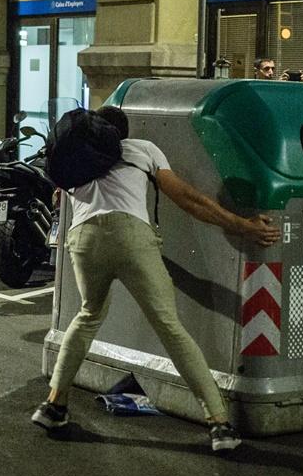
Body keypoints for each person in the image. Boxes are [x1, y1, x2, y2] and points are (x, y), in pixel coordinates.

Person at [33, 105, 281, 452]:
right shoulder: (142, 149)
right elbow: (189, 199)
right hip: (130, 236)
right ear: (124, 132)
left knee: (88, 314)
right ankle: (219, 423)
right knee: (169, 326)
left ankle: (54, 405)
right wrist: (242, 226)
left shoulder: (78, 161)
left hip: (84, 241)